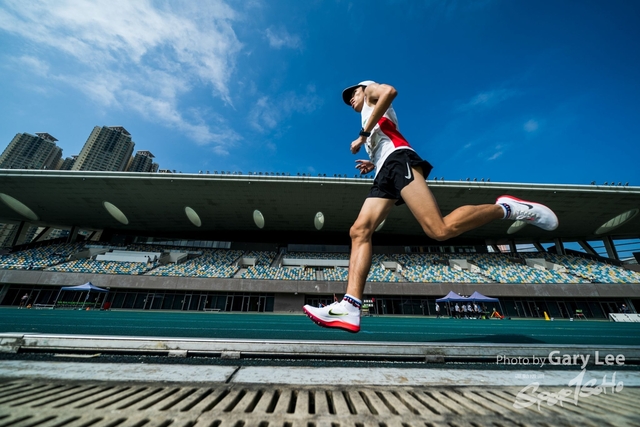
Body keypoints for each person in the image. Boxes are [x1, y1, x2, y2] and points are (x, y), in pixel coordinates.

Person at [303, 81, 559, 333]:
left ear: (363, 88)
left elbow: (390, 91)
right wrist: (372, 160)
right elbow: (384, 136)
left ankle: (507, 208)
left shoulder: (371, 91)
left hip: (398, 160)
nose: (350, 99)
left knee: (440, 230)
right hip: (384, 169)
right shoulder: (368, 118)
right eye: (348, 98)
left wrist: (363, 135)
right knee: (359, 231)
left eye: (352, 93)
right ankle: (351, 306)